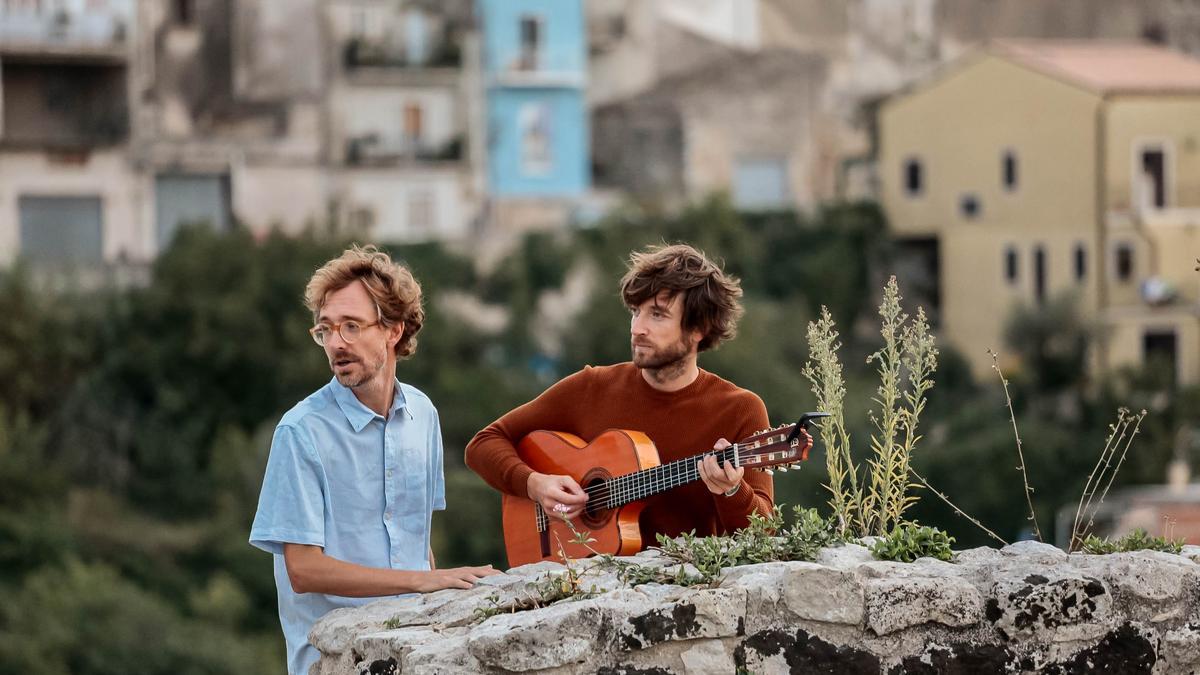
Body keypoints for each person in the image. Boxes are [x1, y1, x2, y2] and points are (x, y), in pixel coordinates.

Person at [250, 245, 497, 675]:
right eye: (325, 329)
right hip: (335, 659)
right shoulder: (300, 432)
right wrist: (422, 582)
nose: (335, 343)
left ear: (393, 330)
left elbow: (418, 545)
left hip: (415, 645)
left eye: (351, 326)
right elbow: (303, 570)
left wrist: (434, 592)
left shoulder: (424, 414)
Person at [465, 243, 773, 547]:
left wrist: (733, 491)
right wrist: (536, 484)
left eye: (657, 315)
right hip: (584, 582)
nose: (637, 328)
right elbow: (483, 443)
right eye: (635, 312)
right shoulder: (591, 387)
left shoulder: (740, 409)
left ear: (698, 328)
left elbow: (764, 536)